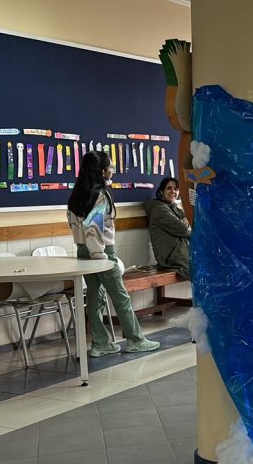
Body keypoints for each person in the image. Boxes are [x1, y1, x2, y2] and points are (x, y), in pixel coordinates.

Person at [67, 151, 159, 357]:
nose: (112, 170)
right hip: (101, 252)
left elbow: (76, 225)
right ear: (101, 171)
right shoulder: (101, 195)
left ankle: (100, 342)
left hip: (83, 250)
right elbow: (93, 228)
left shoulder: (76, 195)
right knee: (120, 297)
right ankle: (136, 340)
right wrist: (100, 257)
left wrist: (89, 250)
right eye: (110, 166)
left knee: (94, 297)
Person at [145, 177, 191, 279]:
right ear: (162, 191)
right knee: (201, 268)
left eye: (176, 189)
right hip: (171, 256)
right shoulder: (159, 209)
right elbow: (184, 229)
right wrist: (185, 221)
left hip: (179, 251)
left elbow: (190, 221)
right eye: (169, 188)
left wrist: (185, 220)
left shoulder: (173, 207)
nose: (173, 191)